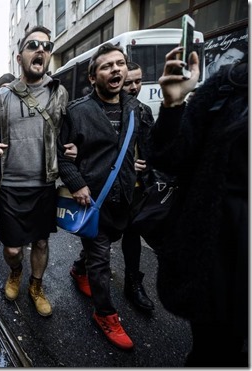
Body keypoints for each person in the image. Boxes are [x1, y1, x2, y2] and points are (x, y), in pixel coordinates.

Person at [150, 48, 248, 366]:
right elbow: (170, 159)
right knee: (216, 352)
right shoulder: (227, 88)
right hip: (221, 256)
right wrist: (174, 103)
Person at [58, 43, 141, 350]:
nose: (116, 69)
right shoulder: (77, 112)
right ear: (93, 77)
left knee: (101, 249)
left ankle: (79, 269)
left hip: (125, 198)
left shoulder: (135, 108)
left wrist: (142, 161)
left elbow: (146, 143)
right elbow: (62, 156)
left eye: (120, 64)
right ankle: (105, 314)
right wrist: (77, 183)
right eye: (107, 66)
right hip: (93, 200)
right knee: (101, 258)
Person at [0, 26, 68, 317]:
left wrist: (71, 149)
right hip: (9, 184)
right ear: (19, 55)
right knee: (12, 249)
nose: (41, 50)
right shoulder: (0, 98)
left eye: (46, 46)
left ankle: (36, 285)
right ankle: (16, 271)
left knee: (41, 241)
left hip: (43, 183)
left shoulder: (58, 93)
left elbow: (64, 133)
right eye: (33, 45)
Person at [116, 61, 158, 311]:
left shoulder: (144, 111)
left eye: (138, 81)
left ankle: (133, 283)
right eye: (128, 82)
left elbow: (150, 148)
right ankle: (81, 266)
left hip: (136, 188)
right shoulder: (106, 110)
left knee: (132, 234)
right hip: (110, 188)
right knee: (101, 236)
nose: (133, 87)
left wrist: (147, 165)